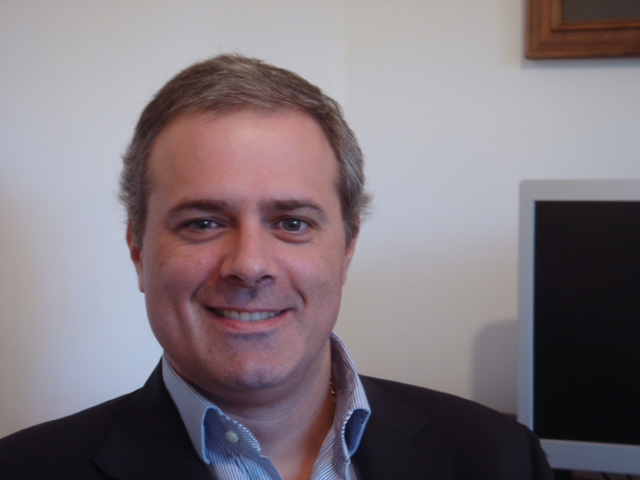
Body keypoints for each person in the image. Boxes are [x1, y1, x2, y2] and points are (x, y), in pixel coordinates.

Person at [0, 54, 553, 480]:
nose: (249, 265)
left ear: (347, 247)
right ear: (138, 250)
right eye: (202, 222)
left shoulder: (499, 458)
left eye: (291, 223)